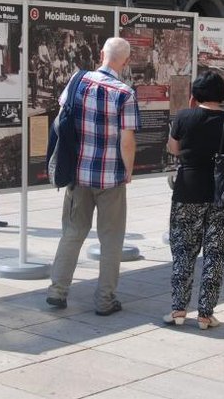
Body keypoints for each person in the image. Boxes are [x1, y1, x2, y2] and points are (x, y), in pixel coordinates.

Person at [46, 37, 140, 316]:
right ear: (126, 61)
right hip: (110, 177)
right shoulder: (125, 93)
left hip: (78, 173)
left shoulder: (78, 80)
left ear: (101, 54)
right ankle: (104, 300)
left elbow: (60, 120)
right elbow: (127, 139)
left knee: (72, 233)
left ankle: (57, 292)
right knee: (111, 239)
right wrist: (128, 170)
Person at [165, 71, 224, 330]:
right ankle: (205, 315)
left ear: (195, 96)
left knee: (183, 251)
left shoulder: (183, 117)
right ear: (223, 97)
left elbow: (173, 149)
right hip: (222, 195)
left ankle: (178, 310)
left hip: (188, 190)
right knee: (215, 254)